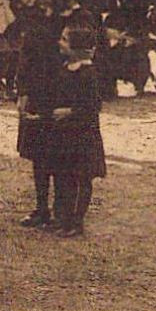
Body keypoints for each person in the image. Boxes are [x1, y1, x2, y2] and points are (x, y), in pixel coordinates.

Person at [16, 0, 85, 228]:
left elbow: (84, 58)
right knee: (39, 153)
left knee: (62, 157)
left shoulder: (79, 18)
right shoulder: (35, 15)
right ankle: (41, 207)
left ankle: (62, 212)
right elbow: (26, 54)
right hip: (37, 92)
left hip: (63, 93)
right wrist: (22, 91)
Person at [48, 24, 107, 237]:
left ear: (77, 47)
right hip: (65, 134)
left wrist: (70, 112)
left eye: (65, 40)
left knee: (82, 178)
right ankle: (63, 217)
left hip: (83, 136)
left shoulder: (88, 73)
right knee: (64, 176)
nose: (60, 43)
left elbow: (93, 106)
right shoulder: (64, 69)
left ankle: (77, 220)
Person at [100, 0, 150, 96]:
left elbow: (142, 18)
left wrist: (131, 35)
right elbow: (99, 10)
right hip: (112, 31)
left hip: (131, 31)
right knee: (108, 54)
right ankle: (110, 86)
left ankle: (138, 84)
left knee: (136, 54)